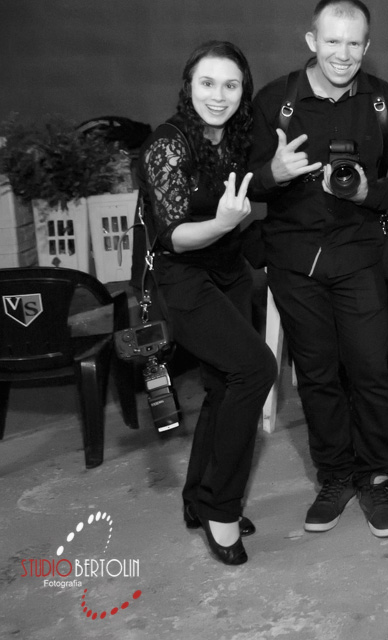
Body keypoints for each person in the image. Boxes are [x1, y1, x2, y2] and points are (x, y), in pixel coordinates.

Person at [248, 0, 388, 538]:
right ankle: (335, 477)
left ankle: (375, 478)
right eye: (332, 41)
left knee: (369, 373)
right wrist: (272, 173)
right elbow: (245, 181)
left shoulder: (384, 102)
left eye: (353, 43)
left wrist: (370, 192)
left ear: (366, 46)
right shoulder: (275, 102)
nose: (342, 54)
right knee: (317, 376)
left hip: (360, 255)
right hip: (293, 260)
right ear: (311, 41)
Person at [140, 41, 276, 565]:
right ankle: (222, 506)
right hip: (183, 276)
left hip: (228, 271)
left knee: (224, 386)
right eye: (207, 83)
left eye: (231, 85)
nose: (218, 96)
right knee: (255, 370)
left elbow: (259, 182)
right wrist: (222, 223)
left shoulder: (235, 136)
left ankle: (199, 496)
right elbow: (174, 236)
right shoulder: (167, 146)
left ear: (243, 91)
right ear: (189, 86)